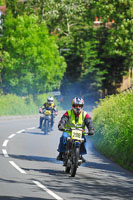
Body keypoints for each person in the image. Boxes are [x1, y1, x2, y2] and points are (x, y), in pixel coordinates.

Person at [56, 97, 94, 162]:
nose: (78, 107)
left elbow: (89, 122)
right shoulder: (68, 113)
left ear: (82, 106)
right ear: (73, 106)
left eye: (80, 106)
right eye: (76, 105)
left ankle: (80, 155)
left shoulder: (85, 114)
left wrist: (91, 130)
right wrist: (61, 126)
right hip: (68, 132)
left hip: (80, 133)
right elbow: (63, 120)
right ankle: (61, 153)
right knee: (63, 137)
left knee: (84, 140)